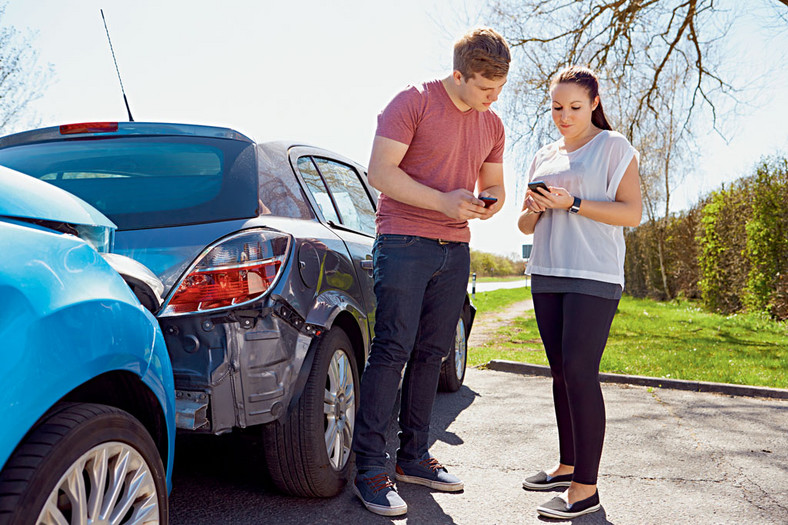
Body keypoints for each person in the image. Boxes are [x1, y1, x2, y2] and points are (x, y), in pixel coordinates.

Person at [351, 27, 510, 516]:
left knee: (433, 353)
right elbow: (380, 173)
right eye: (485, 89)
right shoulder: (412, 102)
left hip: (455, 248)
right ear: (458, 75)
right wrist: (443, 201)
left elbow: (496, 185)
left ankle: (414, 458)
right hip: (403, 241)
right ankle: (370, 471)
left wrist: (490, 205)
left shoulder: (492, 124)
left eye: (499, 90)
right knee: (393, 347)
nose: (492, 99)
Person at [517, 65, 642, 519]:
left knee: (579, 370)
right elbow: (524, 224)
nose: (564, 115)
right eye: (556, 107)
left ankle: (585, 490)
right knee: (559, 373)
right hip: (546, 271)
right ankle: (567, 465)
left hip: (594, 274)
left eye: (573, 107)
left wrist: (572, 203)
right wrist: (536, 209)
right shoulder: (543, 154)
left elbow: (631, 213)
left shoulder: (613, 147)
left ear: (593, 103)